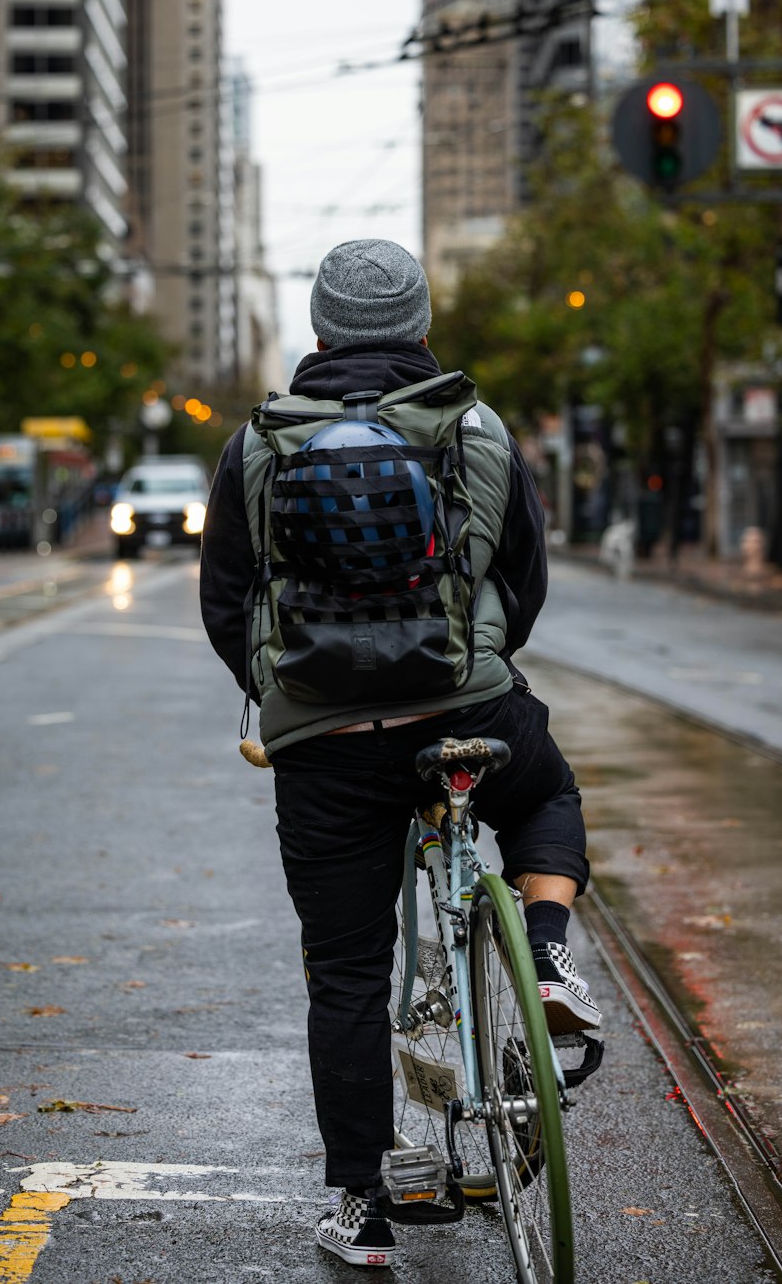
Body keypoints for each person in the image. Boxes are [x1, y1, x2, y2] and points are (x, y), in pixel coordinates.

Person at [200, 238, 601, 1268]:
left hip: (325, 742)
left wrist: (285, 691)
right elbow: (524, 579)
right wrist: (473, 670)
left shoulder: (257, 443)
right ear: (421, 326)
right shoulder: (473, 426)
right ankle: (546, 947)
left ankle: (364, 1202)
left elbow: (224, 601)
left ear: (321, 330)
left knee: (344, 969)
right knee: (544, 789)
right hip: (461, 711)